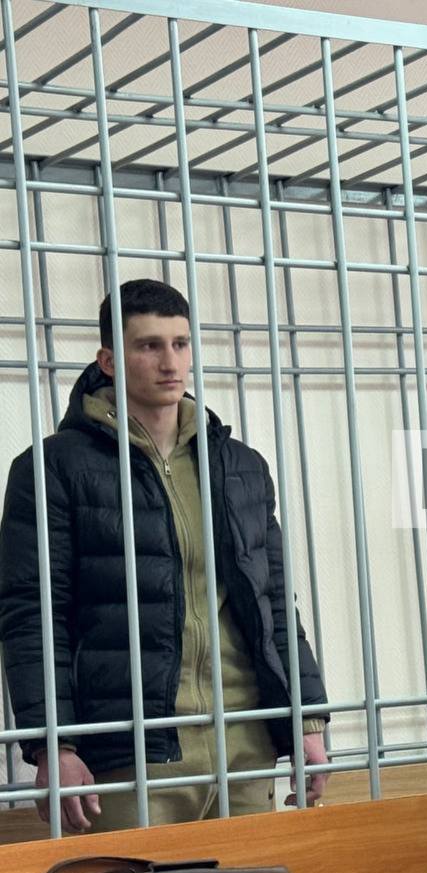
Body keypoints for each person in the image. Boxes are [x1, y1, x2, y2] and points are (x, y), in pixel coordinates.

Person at [0, 279, 329, 833]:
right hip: (132, 752)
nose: (170, 362)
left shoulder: (239, 466)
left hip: (244, 742)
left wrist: (307, 719)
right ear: (109, 361)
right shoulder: (53, 469)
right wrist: (53, 745)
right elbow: (32, 615)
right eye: (148, 345)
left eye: (180, 343)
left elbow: (273, 602)